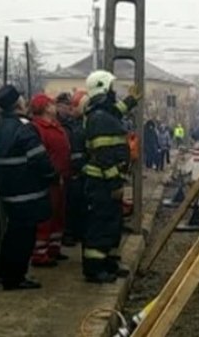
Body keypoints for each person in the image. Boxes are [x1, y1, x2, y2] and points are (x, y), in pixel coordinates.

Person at [0, 85, 55, 290]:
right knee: (24, 237)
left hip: (9, 192)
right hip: (27, 192)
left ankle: (4, 272)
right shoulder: (23, 127)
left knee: (13, 232)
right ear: (18, 103)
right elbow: (39, 158)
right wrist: (51, 176)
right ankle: (15, 278)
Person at [82, 70, 141, 283]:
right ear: (104, 90)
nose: (114, 93)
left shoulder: (102, 114)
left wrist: (131, 101)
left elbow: (116, 111)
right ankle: (94, 269)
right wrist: (115, 182)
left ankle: (109, 263)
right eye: (112, 89)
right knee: (100, 225)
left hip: (106, 182)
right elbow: (104, 156)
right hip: (102, 184)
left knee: (111, 224)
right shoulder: (99, 119)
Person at [30, 93, 71, 267]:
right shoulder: (38, 128)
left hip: (61, 178)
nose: (55, 106)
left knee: (58, 215)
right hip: (49, 180)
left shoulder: (55, 126)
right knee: (46, 216)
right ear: (45, 108)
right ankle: (40, 254)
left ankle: (54, 248)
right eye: (52, 104)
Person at [63, 90, 89, 246]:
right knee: (72, 205)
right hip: (75, 173)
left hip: (80, 172)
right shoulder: (73, 127)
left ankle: (76, 232)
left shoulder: (79, 125)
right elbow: (75, 152)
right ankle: (70, 233)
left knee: (80, 205)